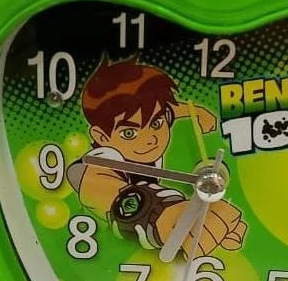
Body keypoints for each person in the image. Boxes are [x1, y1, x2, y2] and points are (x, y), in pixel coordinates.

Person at [67, 56, 247, 258]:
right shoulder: (104, 159)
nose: (151, 139)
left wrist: (195, 112)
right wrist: (162, 216)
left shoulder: (154, 118)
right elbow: (114, 196)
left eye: (156, 124)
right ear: (102, 137)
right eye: (129, 133)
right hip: (107, 199)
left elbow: (162, 109)